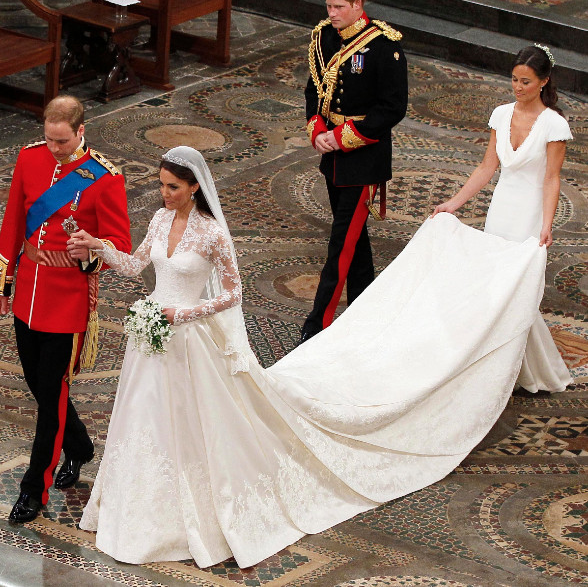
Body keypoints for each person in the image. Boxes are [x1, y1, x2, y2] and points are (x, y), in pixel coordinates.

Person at [73, 146, 547, 568]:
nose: (164, 194)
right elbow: (138, 265)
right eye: (161, 185)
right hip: (151, 341)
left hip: (189, 340)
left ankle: (193, 513)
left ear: (195, 187)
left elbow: (233, 293)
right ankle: (135, 509)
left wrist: (187, 312)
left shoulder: (212, 234)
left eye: (173, 187)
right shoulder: (158, 221)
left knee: (192, 425)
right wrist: (101, 249)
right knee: (142, 422)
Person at [0, 95, 132, 523]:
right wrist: (4, 282)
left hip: (68, 298)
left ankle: (34, 489)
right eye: (49, 139)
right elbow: (14, 220)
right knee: (38, 384)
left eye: (62, 141)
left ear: (81, 131)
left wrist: (90, 249)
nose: (54, 148)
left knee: (51, 394)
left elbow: (120, 247)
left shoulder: (104, 179)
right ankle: (81, 446)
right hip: (30, 288)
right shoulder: (29, 159)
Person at [433, 44, 573, 393]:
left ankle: (513, 371)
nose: (518, 87)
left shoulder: (554, 125)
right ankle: (500, 368)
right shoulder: (500, 114)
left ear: (544, 82)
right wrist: (454, 203)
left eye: (526, 81)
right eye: (514, 79)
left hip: (530, 214)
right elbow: (486, 167)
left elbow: (551, 178)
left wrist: (546, 224)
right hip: (501, 210)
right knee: (495, 289)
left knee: (516, 291)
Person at [300, 0, 408, 343]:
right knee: (355, 244)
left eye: (339, 7)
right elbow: (314, 89)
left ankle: (317, 328)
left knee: (341, 245)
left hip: (364, 156)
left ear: (358, 4)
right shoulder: (324, 37)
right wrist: (317, 130)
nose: (331, 13)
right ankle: (366, 315)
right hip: (332, 154)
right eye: (328, 6)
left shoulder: (383, 46)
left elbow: (393, 107)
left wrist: (343, 138)